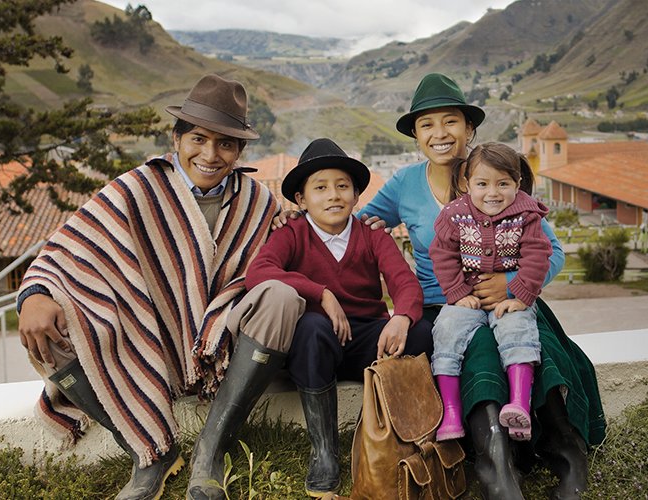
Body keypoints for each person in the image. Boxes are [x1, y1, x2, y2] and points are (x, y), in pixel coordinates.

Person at [16, 75, 304, 500]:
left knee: (281, 298)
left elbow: (301, 243)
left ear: (239, 151)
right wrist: (34, 294)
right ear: (176, 138)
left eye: (225, 144)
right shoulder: (136, 188)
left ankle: (210, 449)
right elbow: (68, 249)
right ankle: (151, 453)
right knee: (48, 332)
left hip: (220, 346)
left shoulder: (258, 202)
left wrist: (336, 227)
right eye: (199, 139)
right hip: (146, 339)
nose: (210, 155)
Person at [358, 73, 603, 499]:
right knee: (481, 351)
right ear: (416, 135)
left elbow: (553, 251)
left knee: (539, 346)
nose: (439, 133)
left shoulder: (497, 178)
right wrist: (298, 223)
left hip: (512, 300)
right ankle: (499, 475)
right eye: (427, 124)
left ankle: (569, 460)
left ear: (469, 128)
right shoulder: (403, 184)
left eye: (450, 121)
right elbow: (357, 226)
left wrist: (511, 285)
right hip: (442, 305)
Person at [245, 138, 433, 497]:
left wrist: (401, 318)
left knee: (422, 331)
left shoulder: (373, 235)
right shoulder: (292, 233)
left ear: (356, 195)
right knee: (311, 326)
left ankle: (390, 437)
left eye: (342, 186)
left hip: (367, 342)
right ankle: (324, 450)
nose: (333, 195)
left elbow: (405, 282)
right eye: (320, 188)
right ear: (301, 199)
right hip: (317, 346)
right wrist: (321, 293)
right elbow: (259, 273)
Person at [429, 143, 551, 442]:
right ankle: (451, 412)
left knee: (517, 328)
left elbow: (537, 255)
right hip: (466, 298)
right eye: (482, 184)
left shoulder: (527, 214)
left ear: (517, 183)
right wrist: (457, 293)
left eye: (503, 184)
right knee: (446, 329)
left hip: (509, 299)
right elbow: (442, 254)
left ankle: (519, 403)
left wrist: (520, 296)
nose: (492, 193)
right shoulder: (454, 214)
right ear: (467, 183)